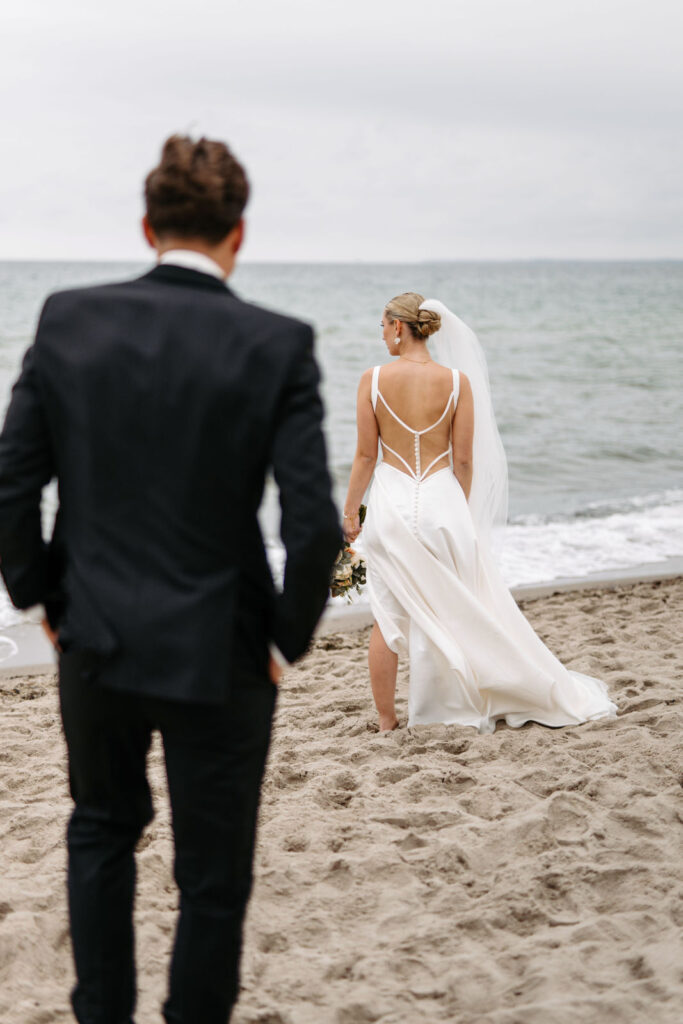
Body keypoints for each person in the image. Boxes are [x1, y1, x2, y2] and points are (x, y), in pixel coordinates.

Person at [0, 135, 341, 1024]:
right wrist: (285, 638)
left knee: (102, 834)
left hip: (96, 638)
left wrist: (43, 598)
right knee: (213, 879)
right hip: (224, 652)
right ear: (239, 234)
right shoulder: (277, 343)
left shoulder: (66, 319)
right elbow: (311, 528)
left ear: (148, 225)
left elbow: (11, 481)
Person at [343, 291, 616, 733]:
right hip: (442, 503)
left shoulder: (372, 380)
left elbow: (364, 456)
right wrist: (459, 508)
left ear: (398, 326)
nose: (381, 336)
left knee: (388, 617)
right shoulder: (456, 382)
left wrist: (351, 510)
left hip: (392, 507)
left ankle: (387, 720)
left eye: (382, 326)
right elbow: (464, 459)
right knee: (455, 609)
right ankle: (462, 700)